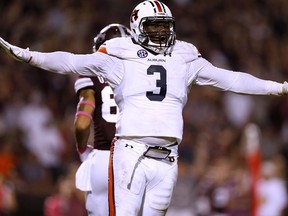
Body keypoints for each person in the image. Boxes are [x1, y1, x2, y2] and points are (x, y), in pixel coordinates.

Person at [0, 0, 287, 215]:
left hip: (169, 158)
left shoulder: (184, 55)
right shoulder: (118, 54)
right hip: (130, 152)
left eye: (165, 26)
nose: (161, 32)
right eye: (154, 26)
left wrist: (277, 86)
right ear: (137, 27)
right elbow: (70, 61)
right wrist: (28, 56)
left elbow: (231, 79)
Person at [74, 23, 131, 216]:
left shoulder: (92, 71)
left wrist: (82, 149)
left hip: (103, 160)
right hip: (135, 159)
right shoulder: (142, 74)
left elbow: (82, 124)